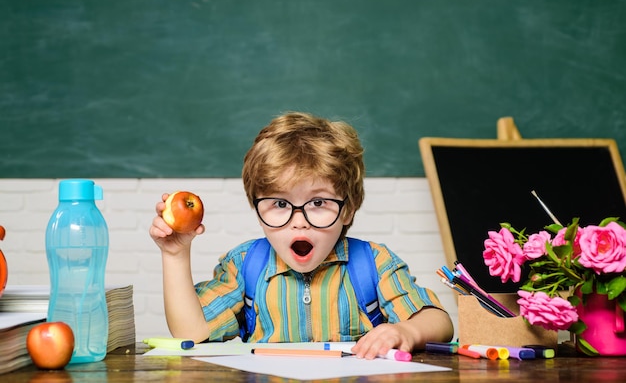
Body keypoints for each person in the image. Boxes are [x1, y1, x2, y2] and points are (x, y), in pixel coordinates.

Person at [149, 112, 453, 360]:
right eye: (280, 204)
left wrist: (406, 332)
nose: (299, 222)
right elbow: (192, 332)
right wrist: (175, 254)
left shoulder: (374, 263)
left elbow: (439, 321)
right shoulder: (244, 265)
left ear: (347, 210)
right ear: (258, 210)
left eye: (318, 203)